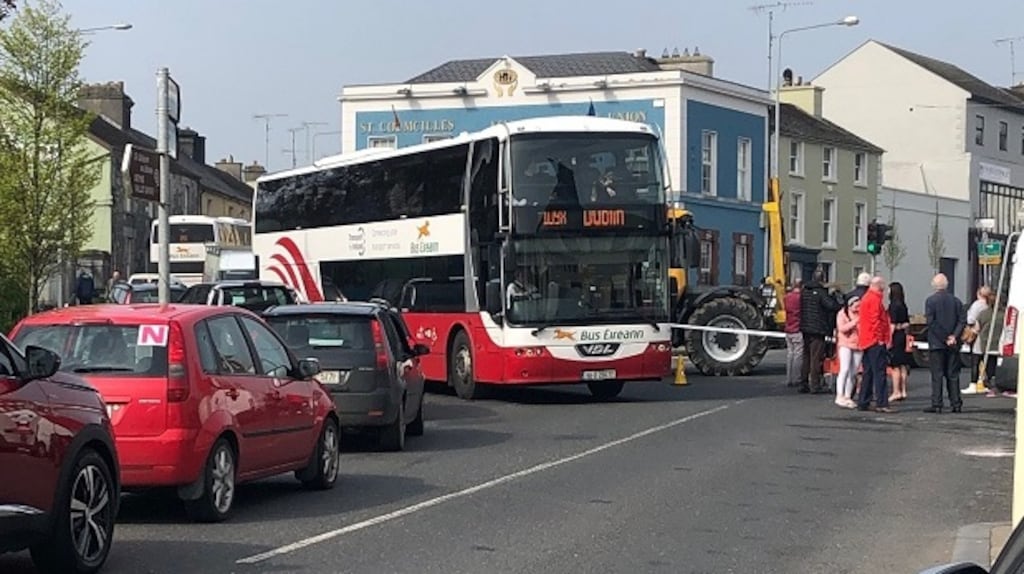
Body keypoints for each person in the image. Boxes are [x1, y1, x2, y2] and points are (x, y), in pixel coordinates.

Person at [924, 273, 966, 413]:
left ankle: (937, 404)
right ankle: (956, 403)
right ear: (947, 285)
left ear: (934, 285)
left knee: (937, 375)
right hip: (953, 344)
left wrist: (945, 337)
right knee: (953, 374)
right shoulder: (956, 301)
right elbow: (962, 321)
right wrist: (954, 336)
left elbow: (931, 323)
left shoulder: (931, 301)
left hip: (937, 343)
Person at [799, 270, 841, 394]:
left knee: (806, 356)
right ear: (822, 279)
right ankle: (815, 385)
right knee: (815, 358)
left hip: (805, 327)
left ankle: (803, 383)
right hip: (818, 328)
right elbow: (831, 306)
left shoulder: (805, 291)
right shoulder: (821, 293)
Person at [857, 276, 895, 413]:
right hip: (874, 340)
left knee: (868, 372)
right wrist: (881, 338)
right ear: (878, 285)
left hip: (866, 340)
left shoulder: (867, 297)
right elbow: (876, 321)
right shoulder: (874, 299)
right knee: (879, 372)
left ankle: (863, 401)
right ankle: (882, 403)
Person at [964, 286, 993, 394]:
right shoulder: (991, 306)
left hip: (978, 336)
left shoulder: (977, 305)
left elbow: (970, 319)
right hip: (990, 336)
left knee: (975, 361)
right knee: (989, 361)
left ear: (978, 294)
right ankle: (987, 383)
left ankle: (973, 384)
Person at [834, 295, 861, 409]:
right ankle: (839, 395)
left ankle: (848, 396)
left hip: (858, 345)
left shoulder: (861, 314)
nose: (858, 308)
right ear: (850, 305)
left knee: (853, 372)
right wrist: (854, 322)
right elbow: (842, 328)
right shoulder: (842, 314)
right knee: (844, 369)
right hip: (845, 344)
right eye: (856, 305)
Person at [887, 282, 913, 402]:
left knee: (895, 366)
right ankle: (903, 391)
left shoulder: (893, 306)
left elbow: (892, 325)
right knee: (903, 365)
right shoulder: (903, 305)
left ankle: (896, 391)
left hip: (895, 337)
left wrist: (889, 339)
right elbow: (907, 323)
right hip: (902, 336)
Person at [783, 279, 803, 388]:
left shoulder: (787, 297)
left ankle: (788, 378)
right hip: (797, 328)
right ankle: (796, 378)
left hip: (788, 328)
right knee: (798, 355)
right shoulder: (800, 298)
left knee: (790, 354)